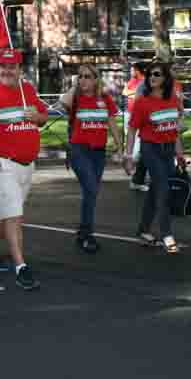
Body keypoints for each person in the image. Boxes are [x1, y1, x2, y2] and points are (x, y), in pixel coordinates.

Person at [0, 49, 50, 290]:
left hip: (26, 166)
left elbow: (43, 118)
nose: (6, 70)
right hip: (1, 164)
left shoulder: (28, 91)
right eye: (2, 66)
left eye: (11, 66)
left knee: (5, 214)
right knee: (14, 216)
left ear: (20, 70)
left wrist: (38, 116)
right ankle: (21, 267)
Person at [60, 63, 124, 254]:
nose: (83, 80)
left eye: (88, 76)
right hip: (79, 150)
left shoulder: (105, 98)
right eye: (80, 76)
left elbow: (112, 122)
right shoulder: (75, 98)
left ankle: (83, 232)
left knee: (91, 193)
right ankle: (87, 235)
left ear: (96, 79)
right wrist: (75, 86)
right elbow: (63, 103)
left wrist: (119, 146)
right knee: (91, 188)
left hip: (98, 152)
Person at [123, 61, 184, 254]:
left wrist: (180, 153)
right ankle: (167, 234)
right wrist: (129, 155)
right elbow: (132, 130)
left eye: (157, 74)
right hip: (151, 150)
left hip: (168, 150)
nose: (152, 78)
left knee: (154, 192)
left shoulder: (173, 99)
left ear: (166, 78)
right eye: (150, 75)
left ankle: (143, 230)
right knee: (163, 190)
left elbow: (174, 130)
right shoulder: (143, 101)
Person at [124, 62, 150, 191]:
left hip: (154, 125)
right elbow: (126, 93)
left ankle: (138, 178)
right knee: (143, 149)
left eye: (132, 69)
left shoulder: (144, 82)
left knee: (145, 152)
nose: (130, 72)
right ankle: (137, 176)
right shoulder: (139, 83)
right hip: (134, 115)